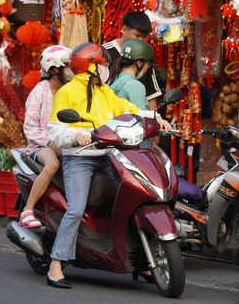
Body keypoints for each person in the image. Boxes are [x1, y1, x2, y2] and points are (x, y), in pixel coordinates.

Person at [44, 42, 173, 289]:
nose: (105, 68)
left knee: (133, 197)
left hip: (108, 155)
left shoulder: (105, 92)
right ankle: (56, 264)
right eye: (101, 64)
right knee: (76, 208)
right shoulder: (68, 92)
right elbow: (56, 128)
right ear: (90, 67)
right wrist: (75, 136)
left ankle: (139, 259)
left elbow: (129, 110)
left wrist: (156, 119)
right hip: (79, 157)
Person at [20, 45, 74, 228]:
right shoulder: (39, 92)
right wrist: (51, 144)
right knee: (53, 164)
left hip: (66, 142)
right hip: (41, 145)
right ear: (54, 69)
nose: (71, 70)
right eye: (67, 66)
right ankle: (27, 210)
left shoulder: (70, 91)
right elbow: (30, 128)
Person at [101, 11, 162, 112]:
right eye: (137, 35)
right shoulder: (104, 52)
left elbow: (151, 94)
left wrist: (154, 119)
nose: (141, 40)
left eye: (144, 37)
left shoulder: (145, 54)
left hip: (136, 119)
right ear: (124, 30)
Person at [107, 39, 154, 111]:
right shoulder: (135, 86)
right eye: (148, 64)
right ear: (139, 63)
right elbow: (141, 118)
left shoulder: (112, 80)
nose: (147, 67)